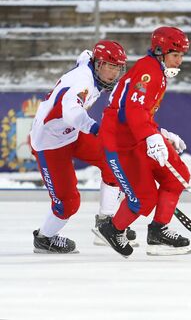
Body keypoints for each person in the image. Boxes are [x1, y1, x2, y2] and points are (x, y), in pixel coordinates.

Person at [95, 26, 191, 257]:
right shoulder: (149, 72)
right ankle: (112, 228)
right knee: (143, 198)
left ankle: (158, 232)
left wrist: (160, 132)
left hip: (139, 135)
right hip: (121, 142)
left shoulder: (156, 70)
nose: (179, 61)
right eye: (176, 55)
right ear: (160, 51)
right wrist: (151, 136)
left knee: (177, 176)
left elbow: (139, 112)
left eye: (181, 56)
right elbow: (133, 110)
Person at [31, 40, 132, 254]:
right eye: (109, 66)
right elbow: (72, 113)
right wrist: (95, 128)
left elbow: (85, 53)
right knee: (68, 204)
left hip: (72, 134)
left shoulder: (89, 63)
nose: (114, 73)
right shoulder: (82, 82)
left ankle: (106, 222)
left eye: (118, 68)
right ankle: (44, 238)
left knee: (114, 161)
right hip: (50, 142)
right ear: (97, 64)